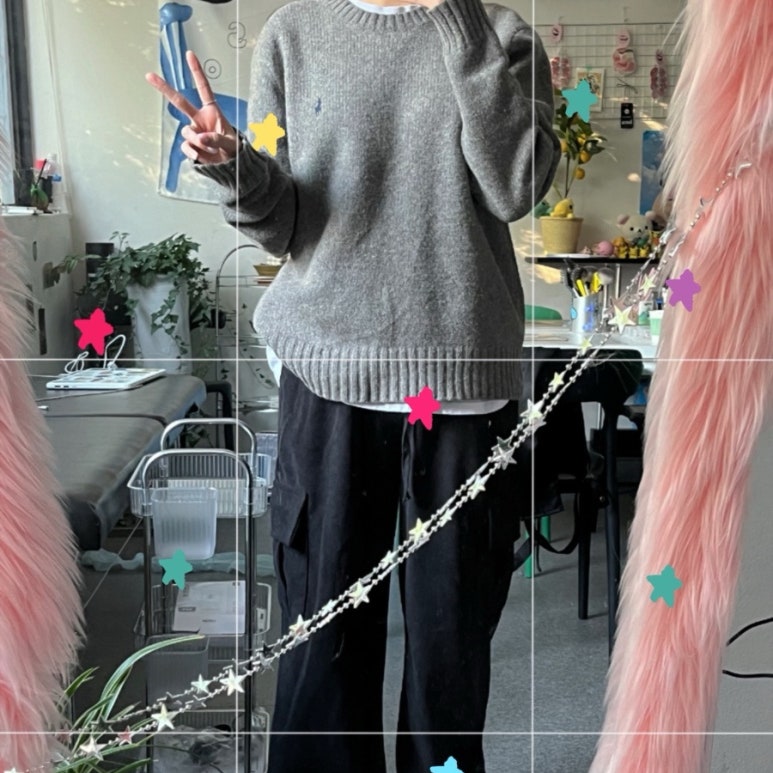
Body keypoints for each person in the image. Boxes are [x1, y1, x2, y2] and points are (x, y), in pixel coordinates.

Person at [147, 0, 559, 770]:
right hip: (327, 376)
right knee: (321, 651)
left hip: (459, 386)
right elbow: (283, 223)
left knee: (448, 650)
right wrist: (231, 166)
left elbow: (514, 188)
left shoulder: (500, 35)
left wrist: (458, 22)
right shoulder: (292, 34)